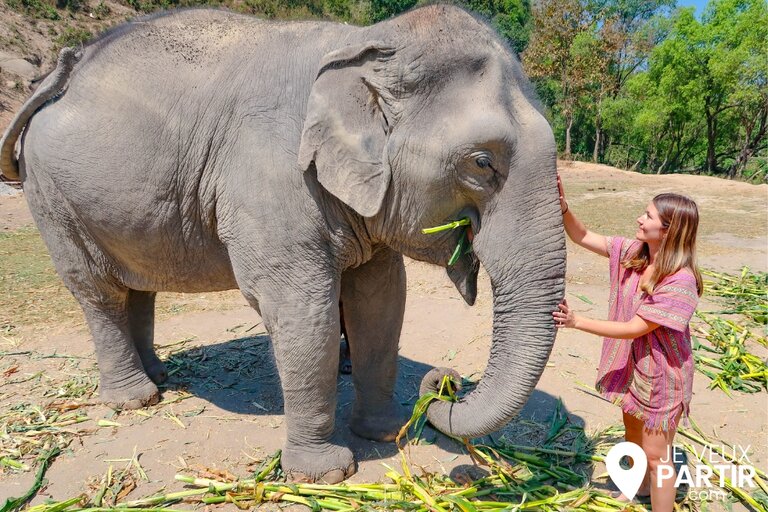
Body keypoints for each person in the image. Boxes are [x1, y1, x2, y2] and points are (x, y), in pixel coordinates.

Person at [552, 175, 702, 512]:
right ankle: (640, 489)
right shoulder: (635, 253)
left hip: (663, 379)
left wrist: (577, 322)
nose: (639, 219)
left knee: (656, 456)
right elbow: (583, 235)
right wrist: (563, 208)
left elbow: (636, 327)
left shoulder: (680, 281)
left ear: (668, 230)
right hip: (635, 369)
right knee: (632, 436)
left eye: (648, 216)